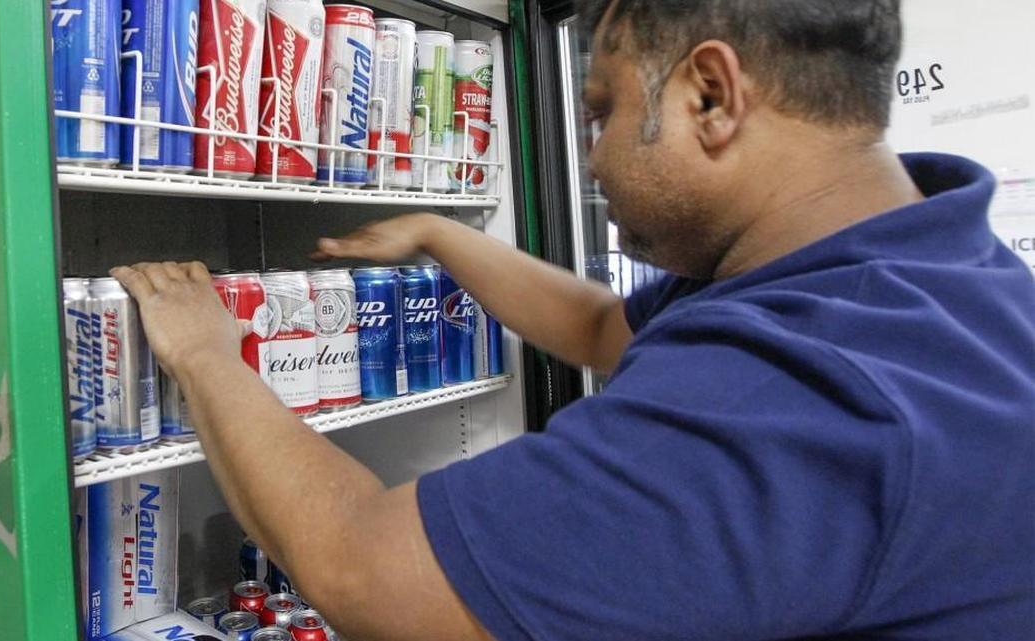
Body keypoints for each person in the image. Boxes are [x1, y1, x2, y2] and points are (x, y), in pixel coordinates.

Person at [111, 0, 1035, 639]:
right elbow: (600, 328)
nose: (587, 160)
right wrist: (442, 232)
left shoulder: (798, 391)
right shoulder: (908, 280)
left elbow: (357, 570)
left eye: (601, 111)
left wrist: (205, 351)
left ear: (711, 95)